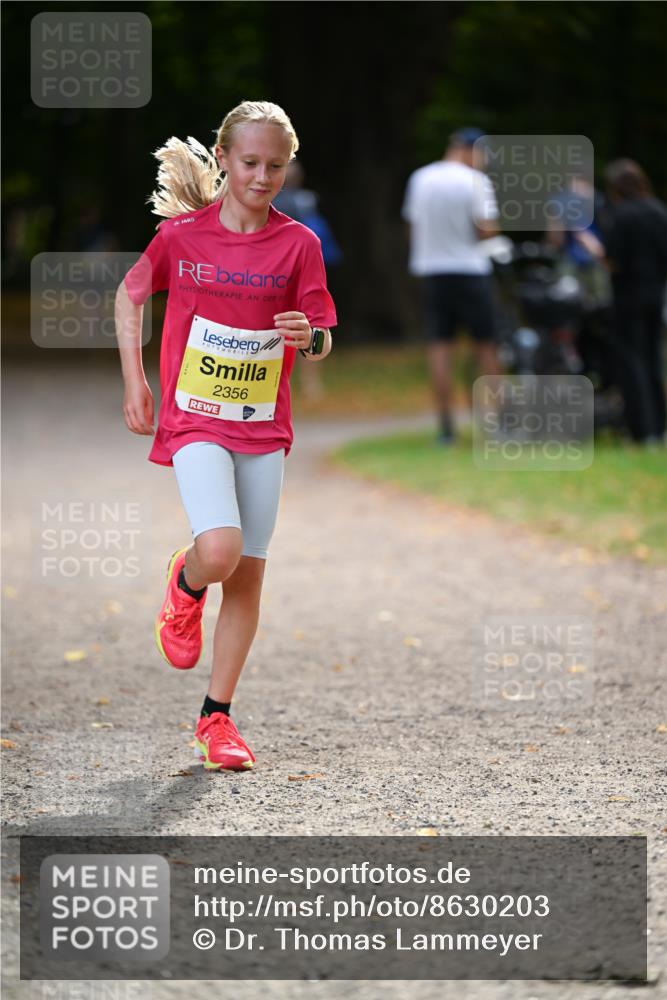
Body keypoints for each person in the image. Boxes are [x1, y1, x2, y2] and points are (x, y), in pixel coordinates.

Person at [115, 100, 337, 771]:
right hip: (194, 417)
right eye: (249, 162)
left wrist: (312, 337)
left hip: (262, 425)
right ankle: (184, 583)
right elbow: (130, 295)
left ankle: (217, 720)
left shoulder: (299, 243)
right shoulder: (183, 237)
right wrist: (135, 381)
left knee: (247, 577)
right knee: (221, 548)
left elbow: (323, 331)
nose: (262, 175)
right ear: (222, 159)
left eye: (275, 164)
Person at [402, 126, 502, 444]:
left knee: (439, 347)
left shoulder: (420, 178)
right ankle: (496, 423)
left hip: (432, 271)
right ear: (469, 150)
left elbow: (413, 226)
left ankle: (446, 427)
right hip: (470, 270)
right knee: (486, 345)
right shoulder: (476, 181)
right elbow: (485, 230)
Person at [600, 159, 667, 446]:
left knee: (631, 361)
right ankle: (661, 425)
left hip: (628, 296)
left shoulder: (621, 215)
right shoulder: (658, 210)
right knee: (653, 359)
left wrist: (597, 254)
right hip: (656, 295)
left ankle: (642, 429)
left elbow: (614, 261)